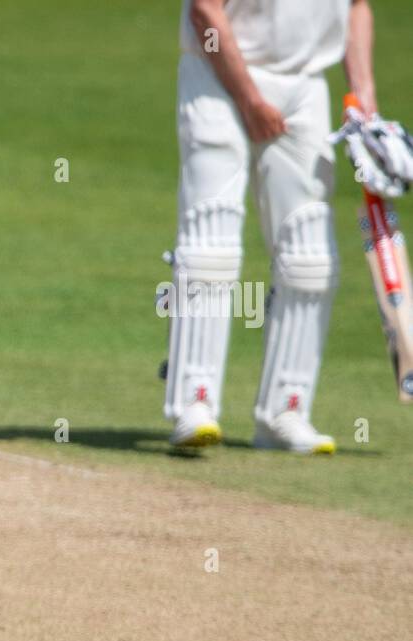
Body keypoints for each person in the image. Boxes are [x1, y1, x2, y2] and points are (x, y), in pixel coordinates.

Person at [163, 0, 376, 453]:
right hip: (214, 71)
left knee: (310, 255)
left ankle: (286, 411)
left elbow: (358, 6)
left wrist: (364, 101)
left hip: (303, 86)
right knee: (210, 242)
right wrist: (249, 99)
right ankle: (193, 402)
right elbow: (205, 10)